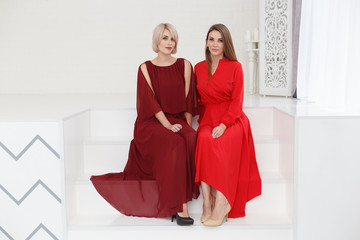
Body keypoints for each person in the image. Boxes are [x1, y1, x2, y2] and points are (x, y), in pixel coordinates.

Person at [90, 23, 199, 225]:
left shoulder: (185, 65)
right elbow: (151, 103)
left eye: (172, 38)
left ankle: (184, 196)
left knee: (191, 137)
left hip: (176, 119)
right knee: (173, 142)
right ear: (156, 40)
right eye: (165, 38)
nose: (169, 42)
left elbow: (188, 102)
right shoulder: (145, 69)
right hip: (151, 122)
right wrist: (167, 126)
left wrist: (187, 127)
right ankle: (179, 205)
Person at [194, 24, 262, 226]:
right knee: (204, 138)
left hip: (232, 118)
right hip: (208, 118)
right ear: (206, 42)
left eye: (220, 40)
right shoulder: (198, 68)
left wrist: (225, 124)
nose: (215, 44)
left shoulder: (235, 66)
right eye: (212, 39)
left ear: (226, 44)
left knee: (223, 142)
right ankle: (208, 202)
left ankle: (222, 202)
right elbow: (197, 101)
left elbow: (237, 100)